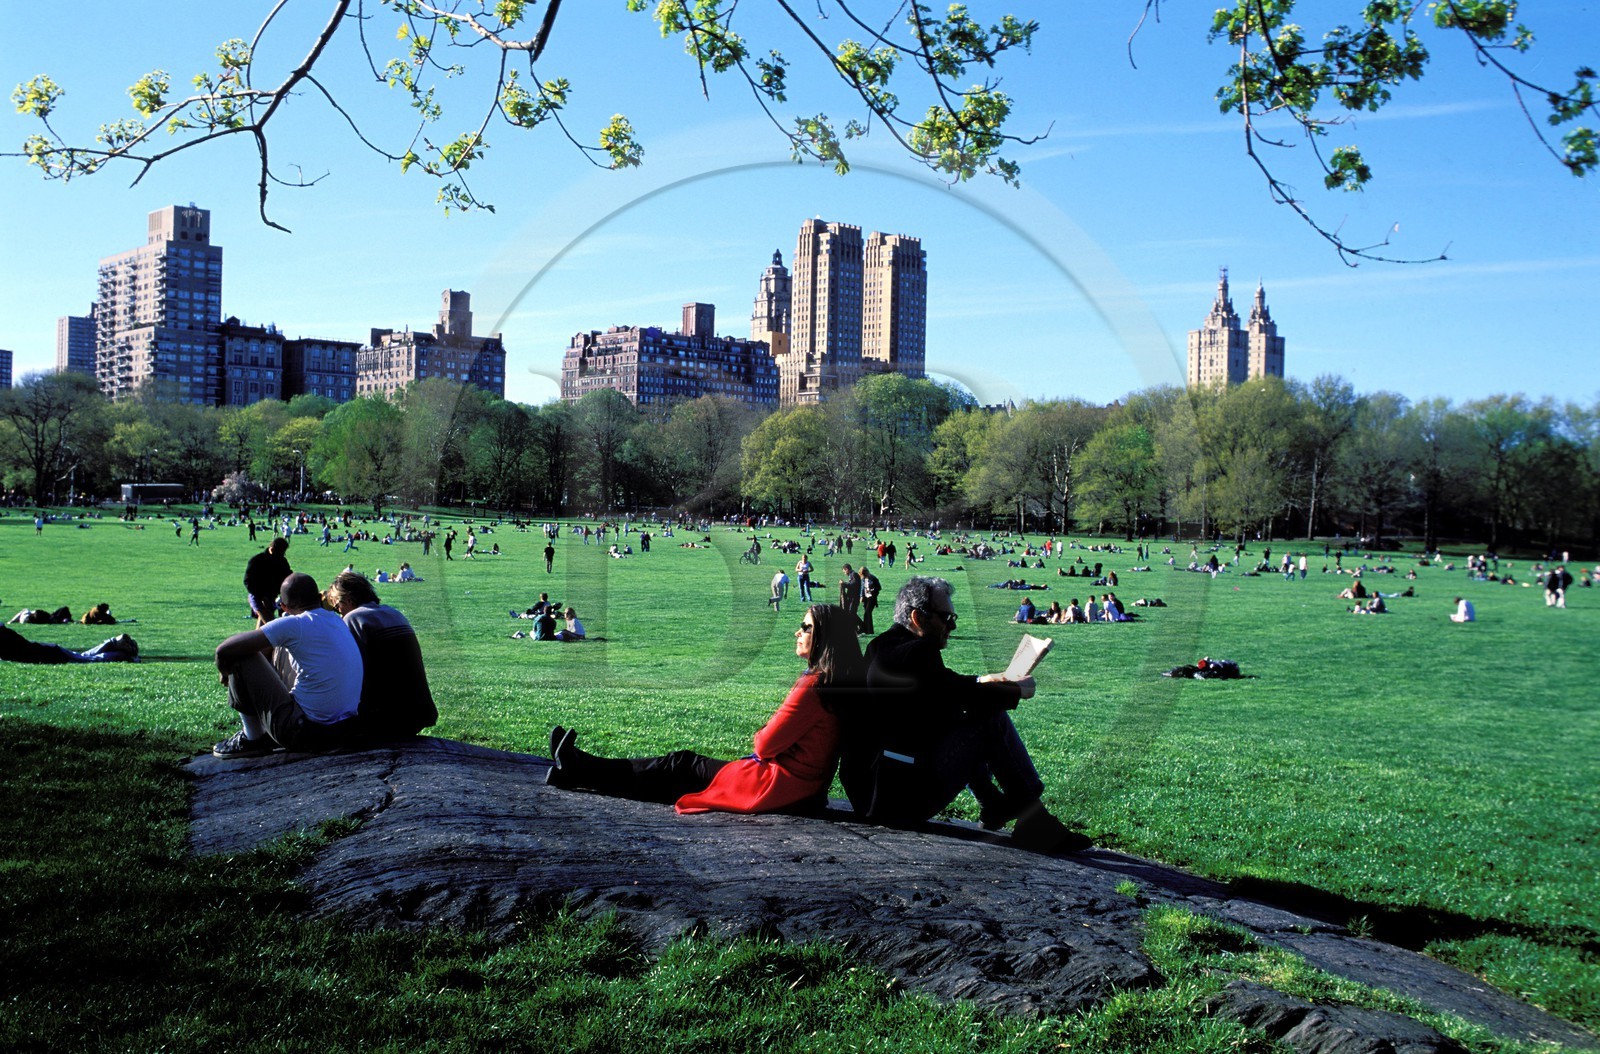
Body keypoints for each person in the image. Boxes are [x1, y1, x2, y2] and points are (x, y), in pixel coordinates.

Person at [841, 576, 1088, 852]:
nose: (953, 625)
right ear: (917, 617)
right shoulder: (917, 652)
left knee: (963, 718)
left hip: (873, 790)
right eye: (946, 617)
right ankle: (1032, 818)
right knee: (988, 719)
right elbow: (952, 695)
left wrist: (987, 679)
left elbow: (942, 687)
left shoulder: (884, 645)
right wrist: (1017, 692)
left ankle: (995, 805)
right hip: (896, 800)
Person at [546, 604, 861, 814]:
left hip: (775, 786)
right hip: (804, 789)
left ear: (823, 639)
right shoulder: (839, 683)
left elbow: (765, 745)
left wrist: (760, 734)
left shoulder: (814, 686)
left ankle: (580, 769)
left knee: (680, 765)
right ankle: (581, 768)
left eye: (805, 627)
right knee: (683, 769)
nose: (797, 632)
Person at [211, 572, 363, 759]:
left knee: (241, 656)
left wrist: (225, 673)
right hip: (344, 729)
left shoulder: (295, 624)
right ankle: (257, 733)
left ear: (282, 606)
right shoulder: (335, 621)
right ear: (318, 598)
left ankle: (252, 738)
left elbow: (223, 651)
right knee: (276, 649)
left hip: (304, 733)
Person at [324, 571, 437, 741]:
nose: (339, 613)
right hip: (419, 712)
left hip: (385, 717)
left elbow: (349, 673)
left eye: (337, 606)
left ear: (347, 600)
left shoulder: (354, 620)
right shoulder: (394, 614)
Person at [0, 625, 138, 664]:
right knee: (82, 657)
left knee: (87, 659)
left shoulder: (5, 638)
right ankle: (115, 643)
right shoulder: (6, 634)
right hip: (48, 651)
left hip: (48, 654)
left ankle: (123, 655)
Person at [243, 537, 292, 627]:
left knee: (264, 624)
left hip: (271, 597)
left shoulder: (281, 561)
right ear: (272, 549)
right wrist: (262, 597)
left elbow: (288, 577)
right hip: (257, 597)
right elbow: (248, 581)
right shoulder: (257, 560)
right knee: (270, 624)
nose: (282, 555)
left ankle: (257, 640)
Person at [858, 565, 881, 635]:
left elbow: (879, 588)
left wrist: (871, 590)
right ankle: (869, 631)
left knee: (867, 614)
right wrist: (861, 596)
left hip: (872, 599)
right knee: (867, 614)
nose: (863, 577)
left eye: (863, 575)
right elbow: (862, 588)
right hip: (866, 599)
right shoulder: (863, 579)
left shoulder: (873, 578)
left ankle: (865, 630)